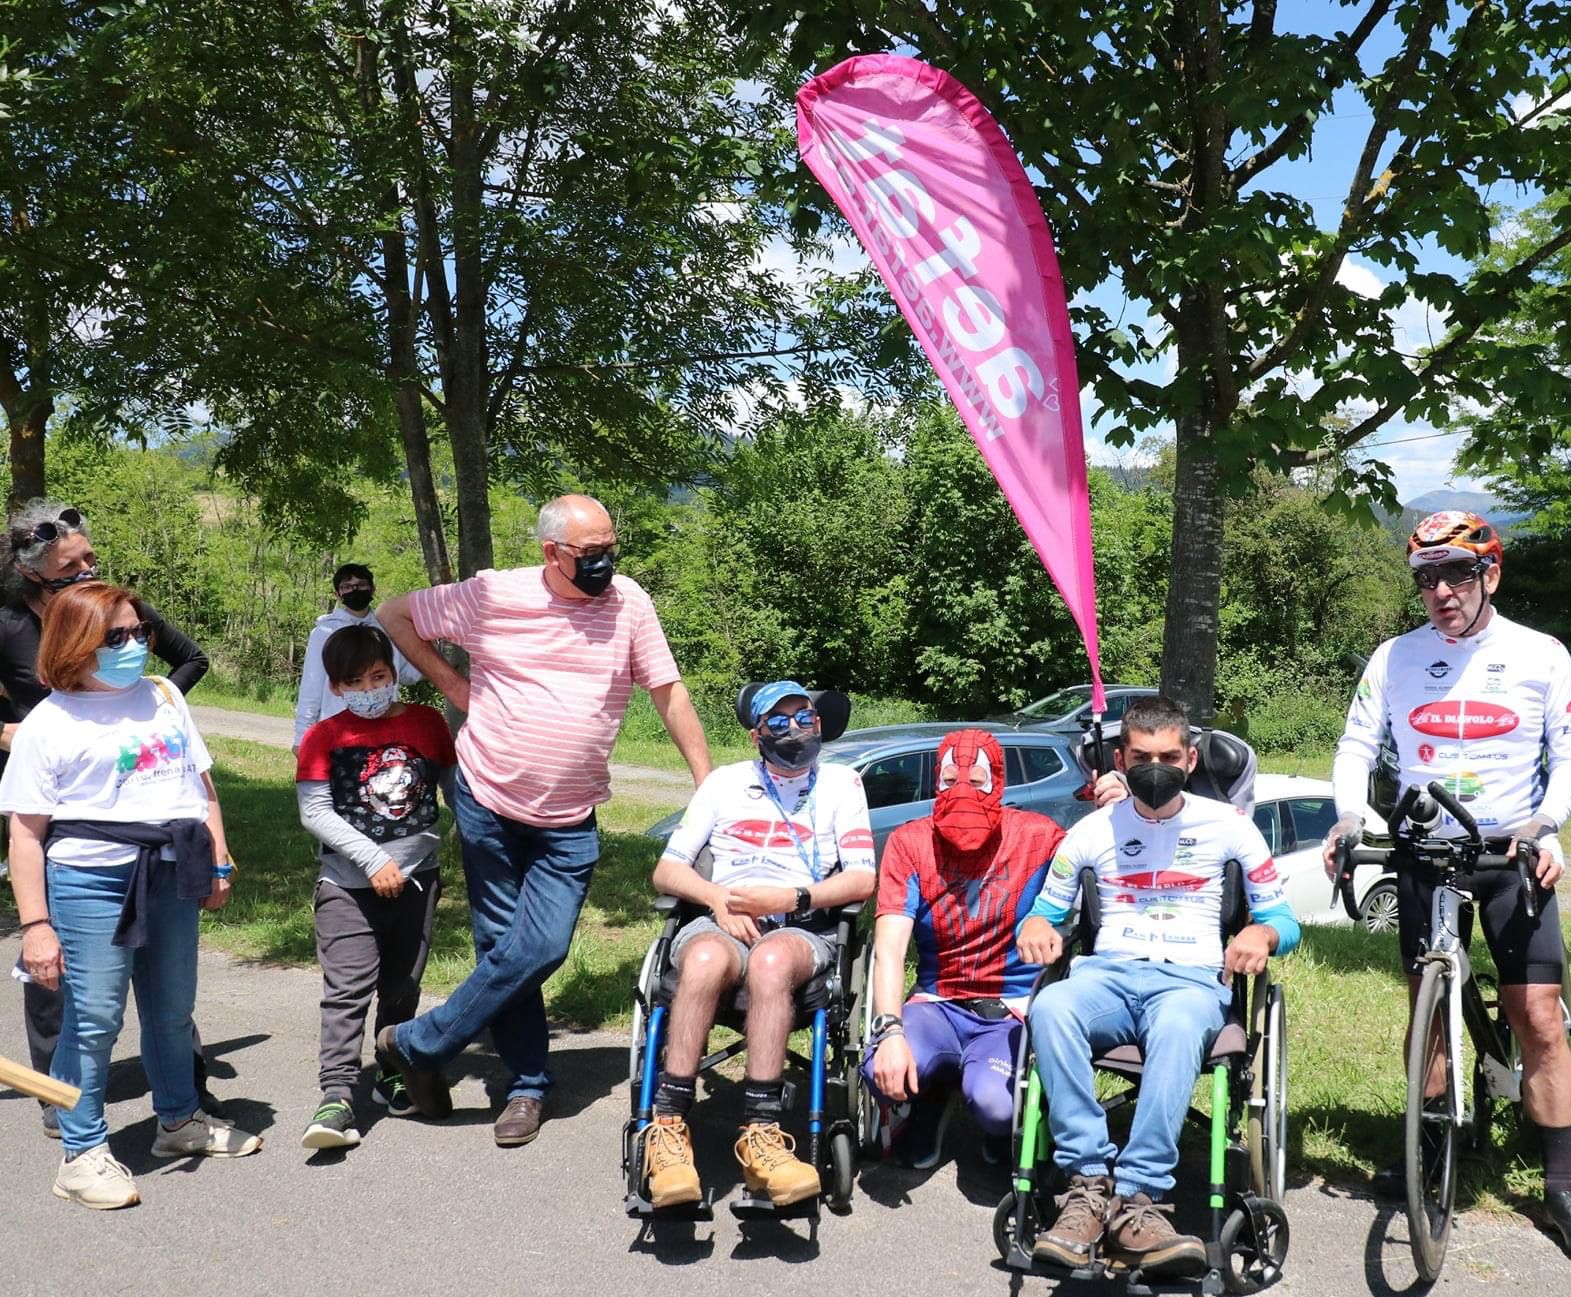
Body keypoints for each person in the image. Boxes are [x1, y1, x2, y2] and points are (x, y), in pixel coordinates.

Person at [373, 494, 713, 1146]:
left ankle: (416, 1042)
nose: (605, 563)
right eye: (590, 554)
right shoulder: (495, 594)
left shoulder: (629, 604)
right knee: (504, 948)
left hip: (569, 816)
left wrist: (708, 785)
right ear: (551, 553)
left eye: (612, 548)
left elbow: (669, 691)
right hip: (487, 800)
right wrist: (452, 684)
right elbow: (395, 613)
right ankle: (527, 1084)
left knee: (543, 946)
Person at [1326, 509, 1571, 1255]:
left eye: (1457, 573)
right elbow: (1358, 744)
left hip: (1509, 852)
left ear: (1492, 572)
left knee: (1539, 1018)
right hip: (1425, 851)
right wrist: (1350, 817)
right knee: (1427, 1005)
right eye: (1426, 579)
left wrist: (1547, 825)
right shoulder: (1395, 656)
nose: (1441, 591)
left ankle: (1559, 1187)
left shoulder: (1541, 653)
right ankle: (1427, 1151)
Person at [1019, 694, 1298, 1276]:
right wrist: (1038, 927)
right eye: (1142, 756)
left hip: (1190, 981)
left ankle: (1140, 1199)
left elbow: (1284, 920)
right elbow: (1045, 911)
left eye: (1169, 756)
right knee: (1051, 1007)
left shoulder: (1231, 828)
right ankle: (1087, 1186)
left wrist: (1261, 936)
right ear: (1120, 758)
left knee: (1176, 1025)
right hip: (1107, 976)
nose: (1156, 767)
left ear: (1190, 760)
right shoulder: (1090, 831)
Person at [1, 582, 258, 1209]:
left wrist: (217, 858)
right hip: (91, 880)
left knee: (173, 1010)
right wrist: (36, 926)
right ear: (75, 642)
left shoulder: (165, 695)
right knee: (93, 1020)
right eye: (115, 636)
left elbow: (200, 784)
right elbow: (26, 835)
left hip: (173, 870)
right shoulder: (50, 723)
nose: (134, 644)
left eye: (138, 631)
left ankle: (178, 1120)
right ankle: (81, 1153)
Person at [1, 498, 216, 1137]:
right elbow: (26, 833)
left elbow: (189, 661)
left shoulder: (123, 615)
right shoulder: (10, 626)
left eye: (89, 555)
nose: (88, 567)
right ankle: (59, 1100)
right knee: (68, 987)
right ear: (34, 572)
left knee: (165, 993)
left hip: (145, 811)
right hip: (57, 805)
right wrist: (11, 731)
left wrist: (141, 709)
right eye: (73, 562)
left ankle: (181, 1102)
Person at [639, 682, 876, 1208]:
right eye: (780, 722)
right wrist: (716, 897)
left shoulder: (841, 784)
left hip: (801, 928)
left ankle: (762, 1135)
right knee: (701, 957)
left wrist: (793, 896)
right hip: (722, 921)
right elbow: (667, 870)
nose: (795, 730)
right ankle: (669, 1131)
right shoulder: (723, 784)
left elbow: (862, 879)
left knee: (770, 962)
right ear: (756, 735)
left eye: (805, 719)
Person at [863, 728, 1064, 1168]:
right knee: (881, 1069)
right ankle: (930, 1095)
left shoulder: (1039, 837)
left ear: (999, 781)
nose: (962, 794)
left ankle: (994, 1120)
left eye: (976, 782)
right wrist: (890, 1032)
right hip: (938, 1001)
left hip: (1011, 1007)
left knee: (996, 1107)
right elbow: (890, 948)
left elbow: (1102, 863)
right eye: (950, 780)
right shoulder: (909, 842)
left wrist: (1118, 804)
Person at [295, 625, 457, 1150]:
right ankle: (337, 1096)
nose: (370, 687)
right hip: (348, 885)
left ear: (394, 673)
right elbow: (315, 811)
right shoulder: (324, 737)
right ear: (337, 688)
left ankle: (391, 1069)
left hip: (418, 882)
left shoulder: (426, 723)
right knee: (347, 990)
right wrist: (372, 860)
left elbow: (454, 790)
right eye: (355, 681)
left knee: (402, 985)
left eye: (379, 676)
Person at [292, 564, 422, 751]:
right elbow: (311, 688)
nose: (355, 590)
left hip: (385, 728)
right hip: (339, 729)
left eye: (361, 584)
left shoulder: (387, 629)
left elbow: (408, 673)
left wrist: (441, 657)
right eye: (347, 586)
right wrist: (301, 737)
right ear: (338, 594)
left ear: (372, 589)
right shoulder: (325, 632)